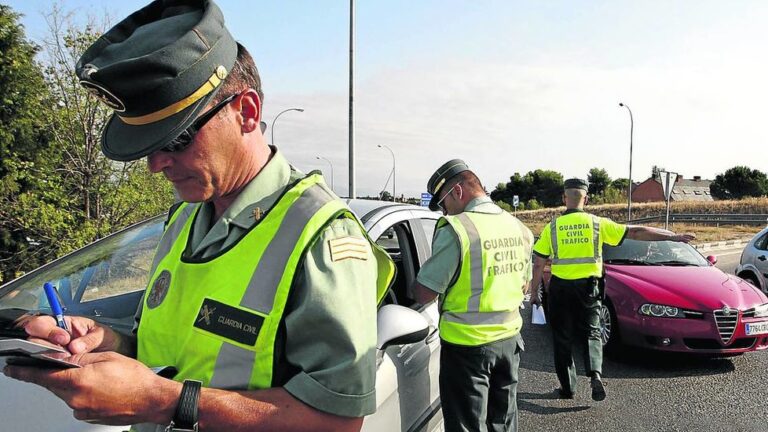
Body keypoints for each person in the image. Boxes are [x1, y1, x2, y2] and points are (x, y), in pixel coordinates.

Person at [3, 1, 395, 431]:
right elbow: (172, 353)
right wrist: (108, 341)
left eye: (176, 139)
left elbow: (337, 422)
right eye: (149, 145)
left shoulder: (321, 236)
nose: (156, 165)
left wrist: (164, 402)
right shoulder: (185, 218)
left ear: (246, 112)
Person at [529, 178, 695, 402]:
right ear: (587, 199)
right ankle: (595, 374)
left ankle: (567, 388)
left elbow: (538, 263)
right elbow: (636, 232)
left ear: (564, 198)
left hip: (561, 288)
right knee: (592, 332)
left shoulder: (552, 227)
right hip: (589, 288)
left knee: (562, 338)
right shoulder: (597, 224)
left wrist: (534, 294)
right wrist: (672, 237)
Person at [412, 159, 533, 432]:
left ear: (457, 191)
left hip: (467, 348)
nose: (445, 211)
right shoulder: (519, 228)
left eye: (443, 204)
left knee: (467, 425)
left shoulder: (458, 229)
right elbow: (524, 286)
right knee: (503, 422)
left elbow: (424, 293)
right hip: (509, 343)